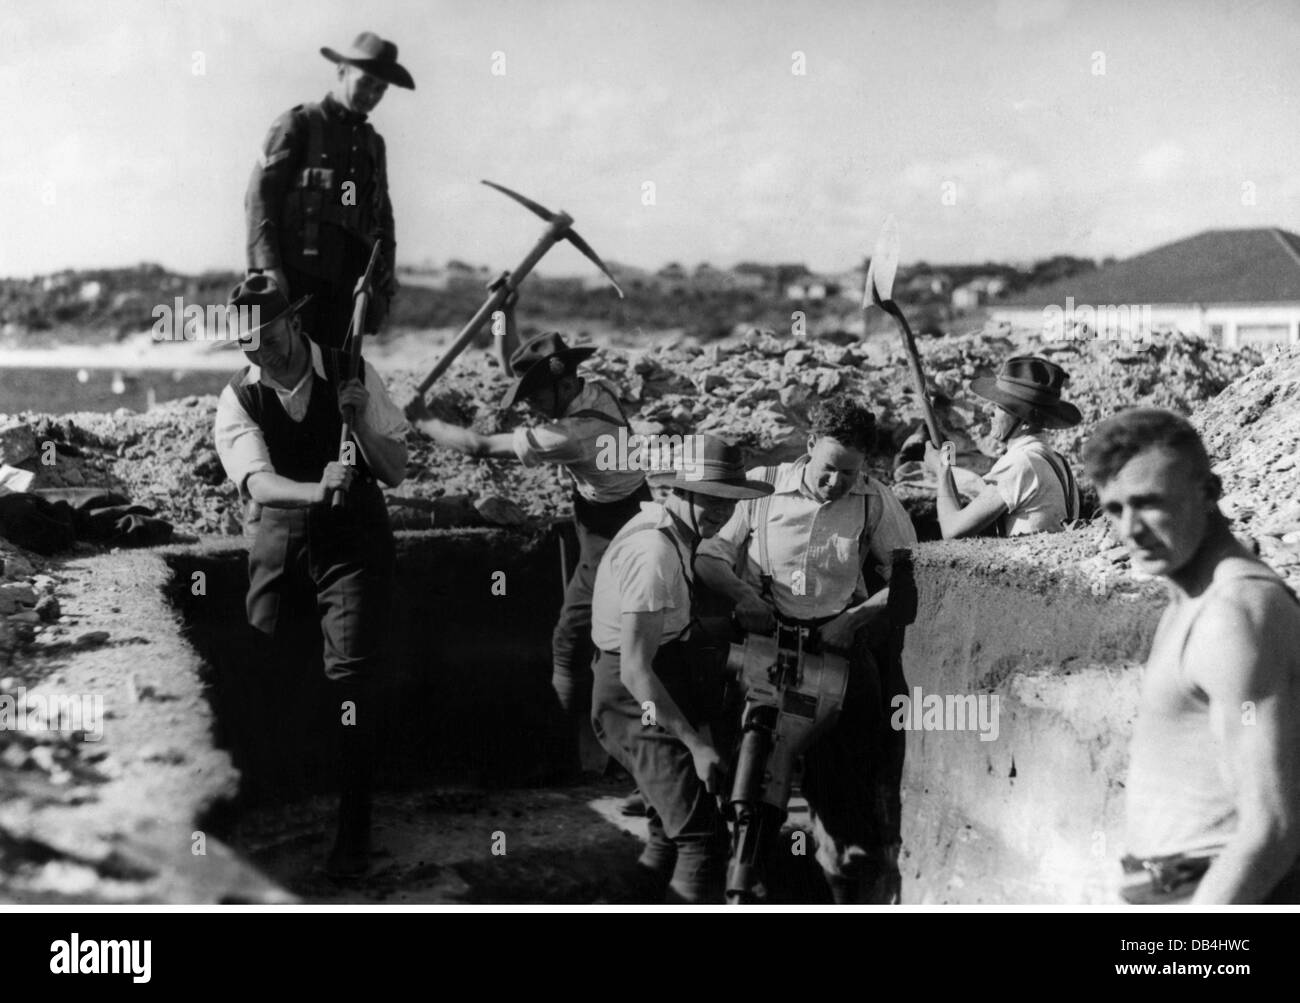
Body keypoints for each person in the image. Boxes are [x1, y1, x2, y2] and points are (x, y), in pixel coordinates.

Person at [213, 274, 408, 878]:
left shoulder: (352, 368)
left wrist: (361, 423)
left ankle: (353, 836)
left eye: (268, 336)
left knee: (349, 681)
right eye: (248, 345)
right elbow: (258, 481)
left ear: (294, 323)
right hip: (280, 536)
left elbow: (396, 468)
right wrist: (314, 488)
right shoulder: (238, 397)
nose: (261, 353)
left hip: (351, 541)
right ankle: (267, 817)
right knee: (264, 662)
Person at [694, 397, 918, 903]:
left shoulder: (872, 499)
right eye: (828, 468)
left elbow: (909, 573)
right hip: (766, 645)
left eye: (849, 472)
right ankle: (741, 875)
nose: (836, 482)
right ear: (809, 446)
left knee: (842, 783)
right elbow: (711, 555)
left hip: (834, 651)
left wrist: (856, 618)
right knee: (749, 777)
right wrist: (744, 595)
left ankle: (845, 871)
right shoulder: (761, 486)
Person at [405, 332, 649, 778]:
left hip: (615, 543)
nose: (531, 406)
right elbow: (523, 368)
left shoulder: (570, 434)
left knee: (575, 643)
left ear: (562, 386)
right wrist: (507, 316)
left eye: (537, 397)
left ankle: (579, 758)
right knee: (611, 649)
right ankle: (615, 762)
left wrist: (423, 422)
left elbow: (480, 449)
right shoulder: (598, 390)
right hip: (628, 520)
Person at [1084, 408, 1300, 904]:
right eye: (1114, 509)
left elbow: (1272, 827)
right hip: (1173, 890)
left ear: (1208, 492)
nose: (1130, 529)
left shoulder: (1235, 614)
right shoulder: (1193, 598)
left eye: (1148, 503)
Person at [589, 436, 773, 902]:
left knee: (667, 830)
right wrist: (696, 745)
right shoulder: (655, 553)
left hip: (657, 670)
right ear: (678, 492)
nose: (719, 512)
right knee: (701, 838)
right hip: (634, 693)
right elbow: (635, 669)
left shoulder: (668, 525)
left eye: (728, 502)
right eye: (708, 498)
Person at [245, 31, 414, 350]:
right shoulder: (300, 124)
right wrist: (269, 267)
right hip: (296, 278)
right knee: (287, 365)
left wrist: (385, 277)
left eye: (380, 89)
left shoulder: (371, 143)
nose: (372, 94)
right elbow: (260, 197)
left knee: (338, 374)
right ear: (341, 72)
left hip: (347, 284)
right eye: (366, 83)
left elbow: (379, 214)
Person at [924, 355, 1081, 538]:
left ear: (1025, 423)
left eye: (1000, 406)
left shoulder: (1022, 463)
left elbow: (952, 530)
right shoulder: (1058, 461)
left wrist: (941, 471)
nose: (986, 410)